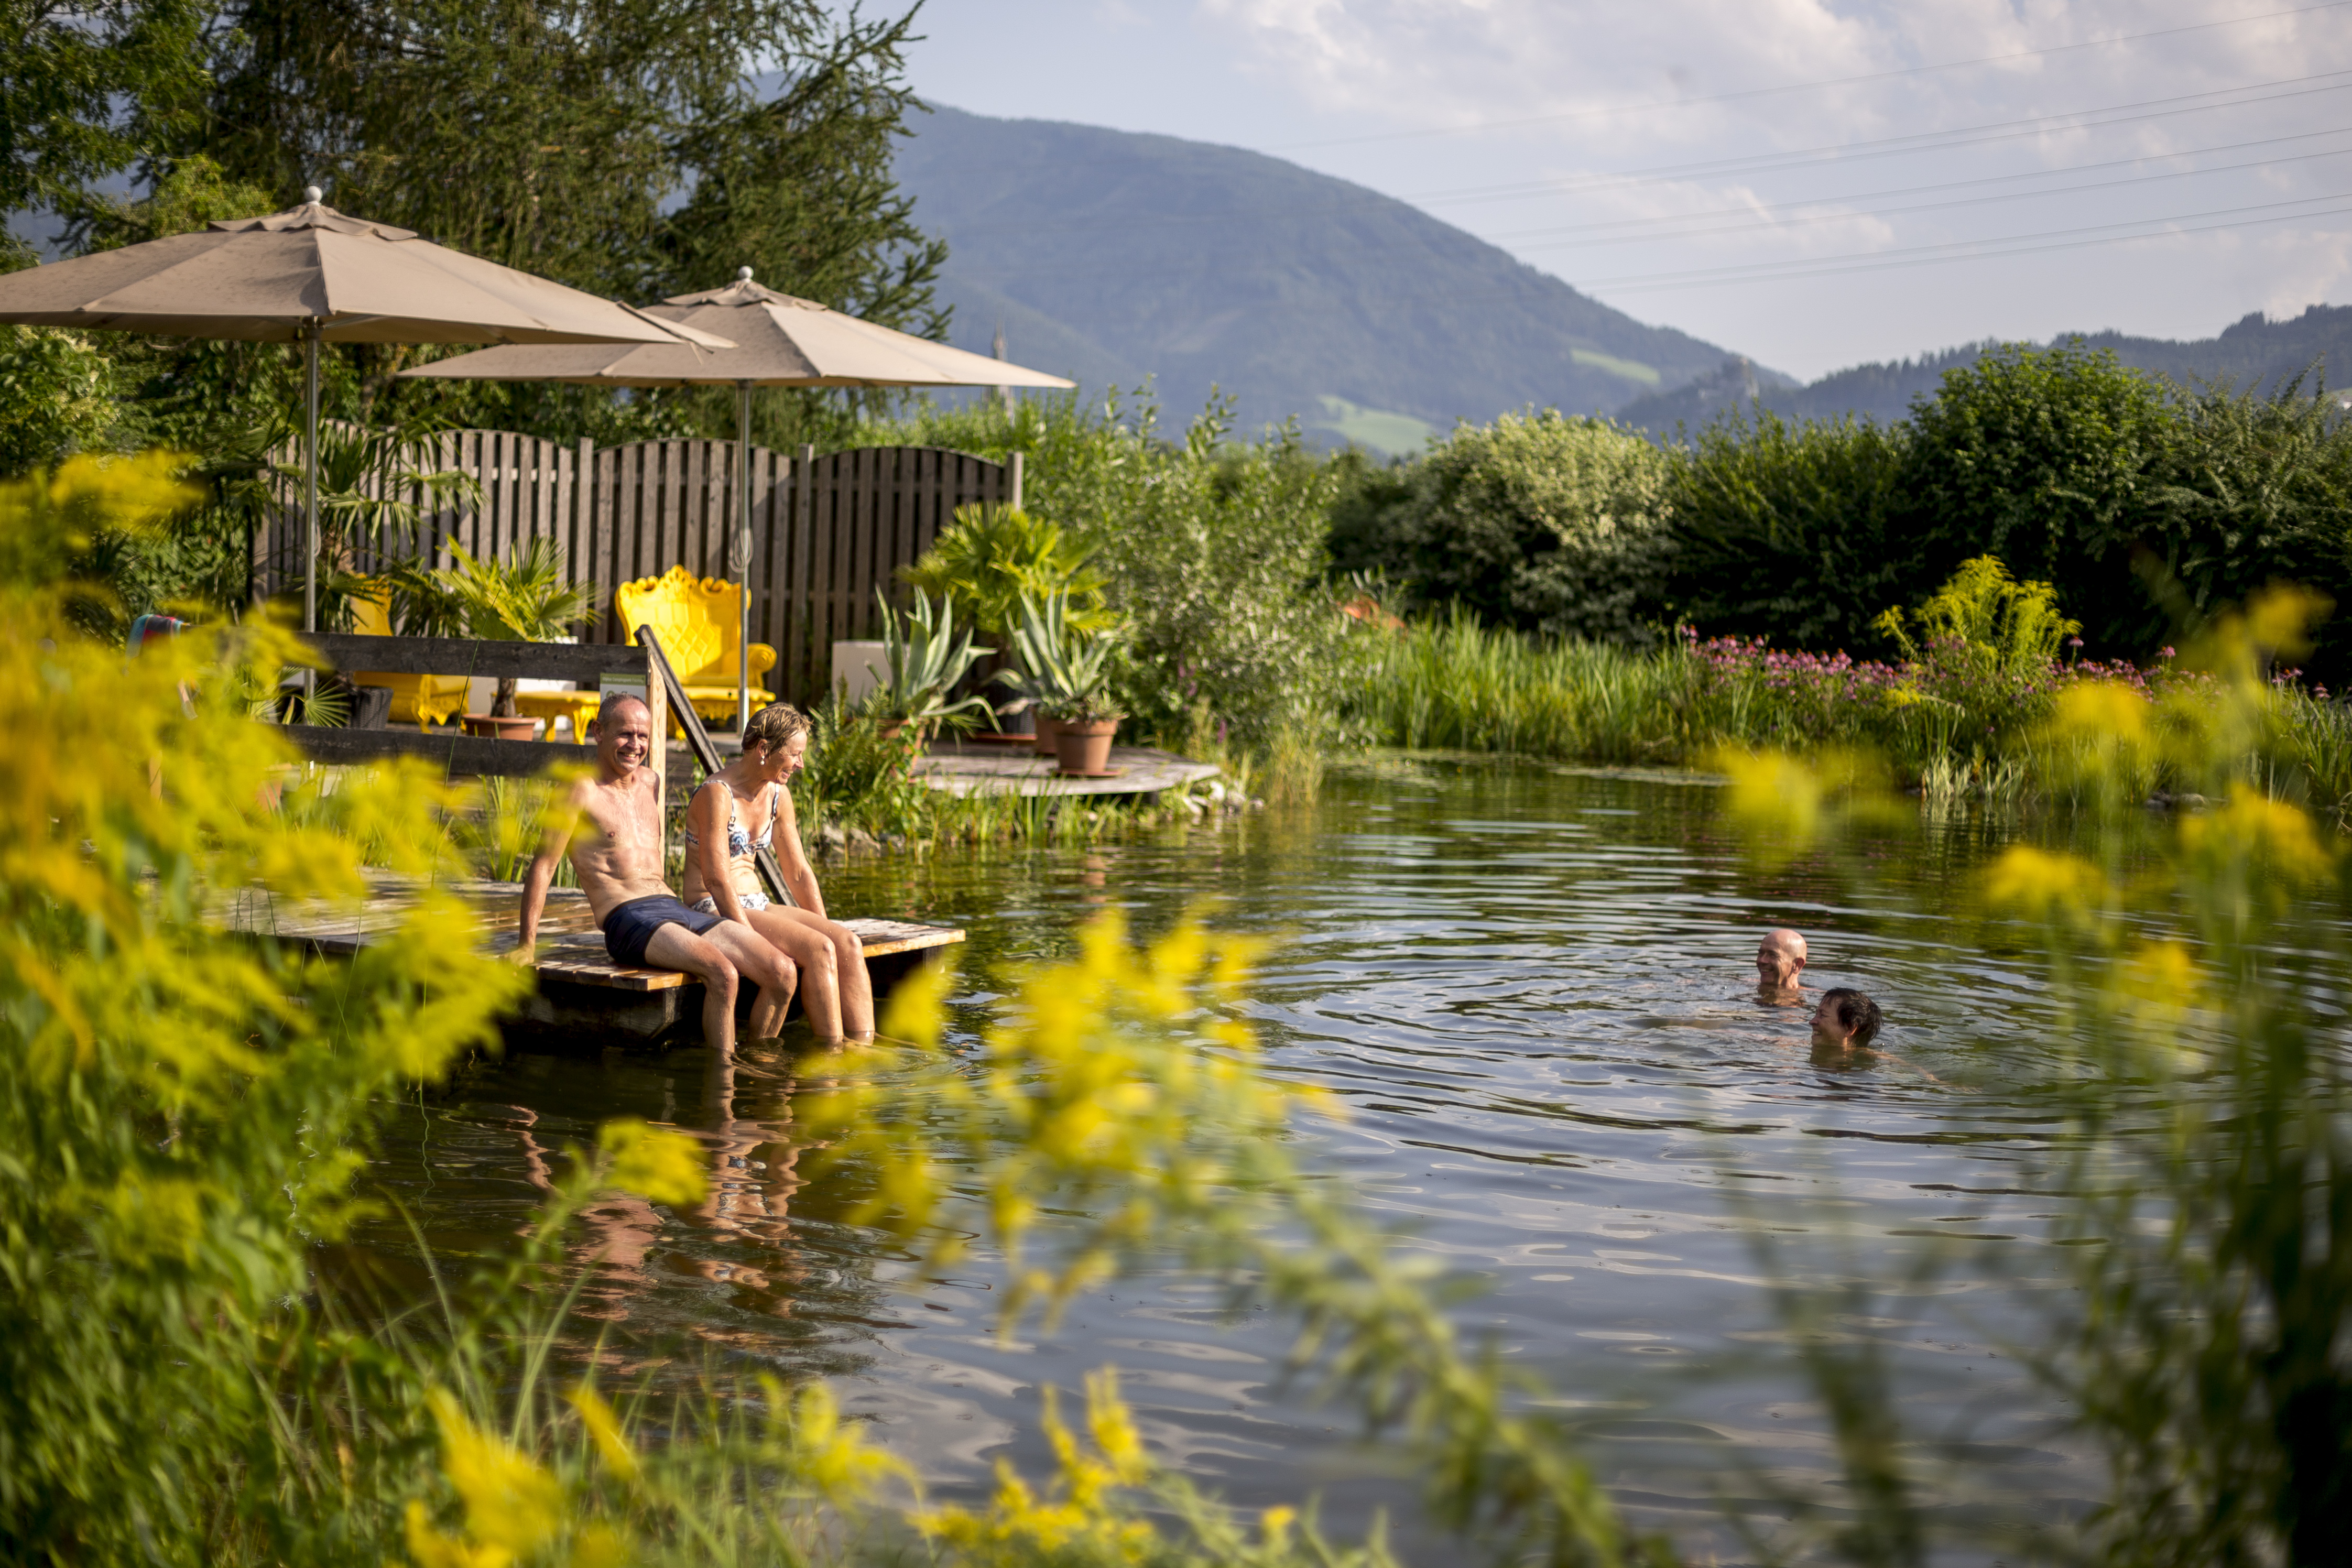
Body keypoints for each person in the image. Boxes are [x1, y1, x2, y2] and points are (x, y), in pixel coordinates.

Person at [513, 692, 799, 1051]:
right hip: (626, 916)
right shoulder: (577, 790)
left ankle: (759, 1068)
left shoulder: (651, 782)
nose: (635, 745)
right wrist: (527, 945)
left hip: (673, 907)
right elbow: (544, 865)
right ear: (598, 731)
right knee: (723, 973)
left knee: (782, 973)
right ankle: (722, 1087)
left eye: (643, 736)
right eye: (625, 734)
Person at [679, 702, 875, 1042]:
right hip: (712, 907)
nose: (800, 764)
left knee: (845, 943)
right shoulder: (717, 795)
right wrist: (749, 940)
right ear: (764, 749)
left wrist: (825, 927)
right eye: (795, 754)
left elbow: (798, 871)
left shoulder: (777, 796)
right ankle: (832, 1055)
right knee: (819, 950)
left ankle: (863, 1043)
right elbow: (716, 879)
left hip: (757, 902)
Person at [1810, 987, 1884, 1052]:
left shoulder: (1880, 1062)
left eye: (1823, 1015)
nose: (1812, 1022)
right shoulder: (1801, 1046)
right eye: (1817, 1014)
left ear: (1850, 1028)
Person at [1757, 928, 1807, 995]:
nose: (1762, 961)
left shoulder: (1821, 1000)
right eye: (1761, 954)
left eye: (1773, 955)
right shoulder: (1744, 984)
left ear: (1797, 964)